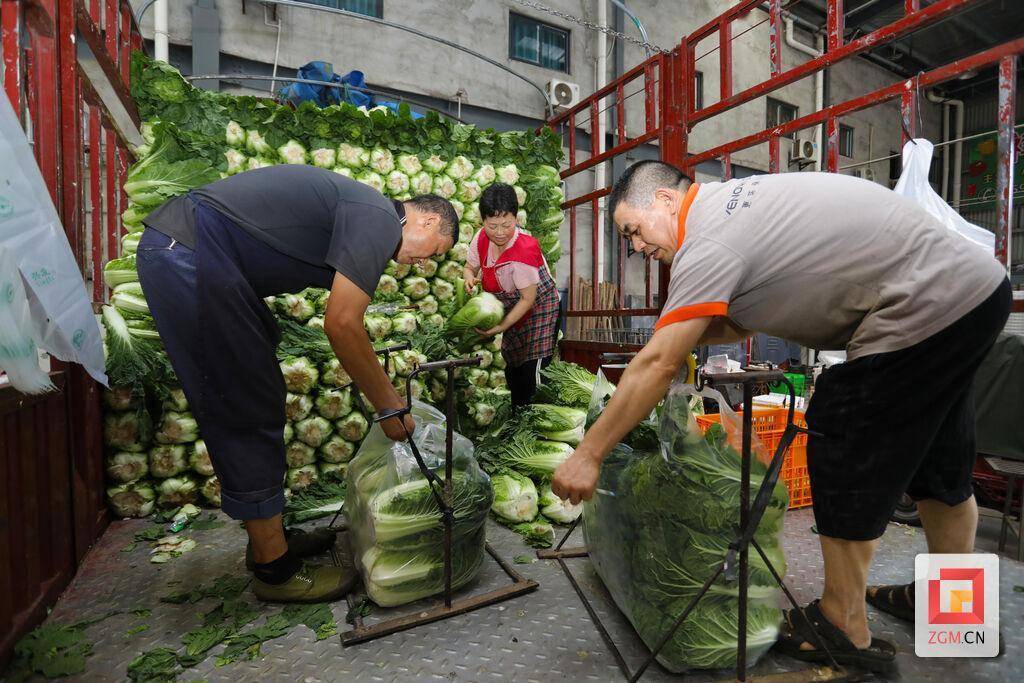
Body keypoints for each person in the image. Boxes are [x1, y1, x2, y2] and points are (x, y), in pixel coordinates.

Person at [550, 160, 1010, 675]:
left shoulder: (710, 238)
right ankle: (953, 610)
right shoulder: (734, 210)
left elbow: (658, 363)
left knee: (844, 432)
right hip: (973, 293)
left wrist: (589, 454)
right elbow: (725, 324)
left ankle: (840, 625)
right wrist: (677, 337)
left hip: (921, 307)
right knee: (939, 462)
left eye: (633, 231)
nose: (636, 247)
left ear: (665, 201)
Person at [137, 165, 457, 603]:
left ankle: (272, 539)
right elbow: (342, 324)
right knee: (245, 402)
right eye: (433, 251)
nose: (423, 263)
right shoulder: (380, 217)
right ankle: (275, 570)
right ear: (427, 220)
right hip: (192, 251)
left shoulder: (364, 214)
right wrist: (389, 406)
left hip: (204, 255)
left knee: (261, 385)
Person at [463, 183, 560, 406]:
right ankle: (518, 423)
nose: (499, 233)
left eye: (506, 225)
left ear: (516, 218)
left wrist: (499, 328)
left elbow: (528, 300)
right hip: (513, 311)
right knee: (513, 373)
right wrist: (468, 278)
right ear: (482, 221)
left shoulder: (523, 251)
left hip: (538, 310)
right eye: (492, 225)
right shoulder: (481, 238)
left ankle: (535, 426)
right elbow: (470, 267)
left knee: (532, 376)